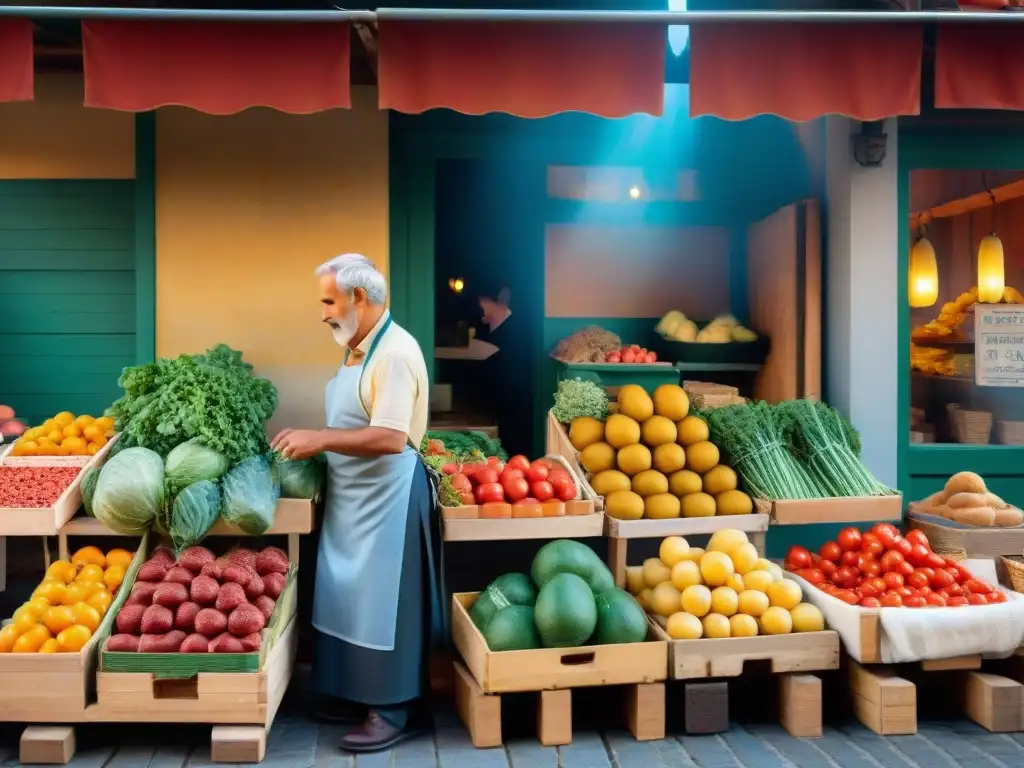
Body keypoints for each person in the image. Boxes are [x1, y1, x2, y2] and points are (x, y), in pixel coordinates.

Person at [271, 253, 442, 753]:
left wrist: (319, 439)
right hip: (354, 496)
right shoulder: (359, 348)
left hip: (388, 500)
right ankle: (352, 693)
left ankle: (394, 708)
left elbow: (391, 437)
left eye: (329, 301)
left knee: (383, 604)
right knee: (346, 594)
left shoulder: (394, 354)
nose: (323, 312)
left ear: (359, 298)